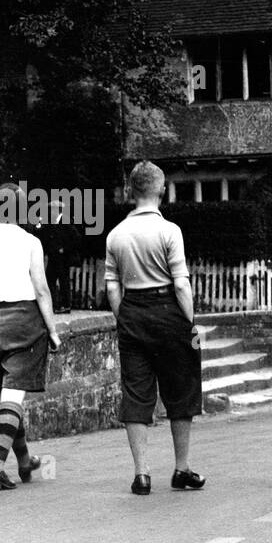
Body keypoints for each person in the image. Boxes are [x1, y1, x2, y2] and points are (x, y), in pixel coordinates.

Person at [104, 161, 205, 495]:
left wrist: (125, 318)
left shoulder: (116, 234)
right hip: (168, 311)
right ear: (161, 190)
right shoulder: (169, 231)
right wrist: (190, 324)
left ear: (131, 191)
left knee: (136, 392)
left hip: (132, 312)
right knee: (182, 387)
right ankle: (182, 468)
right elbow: (181, 284)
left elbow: (112, 287)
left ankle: (142, 473)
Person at [0, 183, 62, 490]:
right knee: (13, 396)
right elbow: (42, 290)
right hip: (24, 323)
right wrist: (54, 331)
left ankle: (24, 462)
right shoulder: (31, 241)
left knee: (10, 396)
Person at [34, 200, 81, 314]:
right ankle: (53, 305)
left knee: (63, 281)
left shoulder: (65, 221)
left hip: (63, 258)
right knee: (50, 281)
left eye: (52, 209)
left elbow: (77, 238)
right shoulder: (51, 222)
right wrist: (38, 225)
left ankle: (66, 306)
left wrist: (64, 249)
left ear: (57, 210)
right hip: (53, 257)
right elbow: (42, 235)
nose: (50, 212)